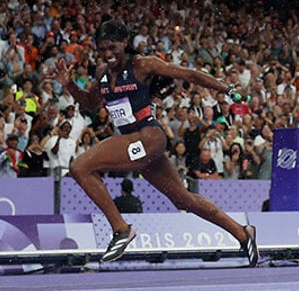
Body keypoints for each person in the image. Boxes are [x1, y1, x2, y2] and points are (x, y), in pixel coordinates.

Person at [53, 19, 259, 266]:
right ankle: (242, 231)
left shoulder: (142, 65)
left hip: (150, 138)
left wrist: (226, 90)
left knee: (80, 167)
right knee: (183, 199)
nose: (107, 54)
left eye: (113, 48)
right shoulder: (104, 76)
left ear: (125, 43)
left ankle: (120, 228)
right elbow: (88, 103)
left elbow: (190, 74)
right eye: (102, 49)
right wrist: (68, 84)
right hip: (137, 145)